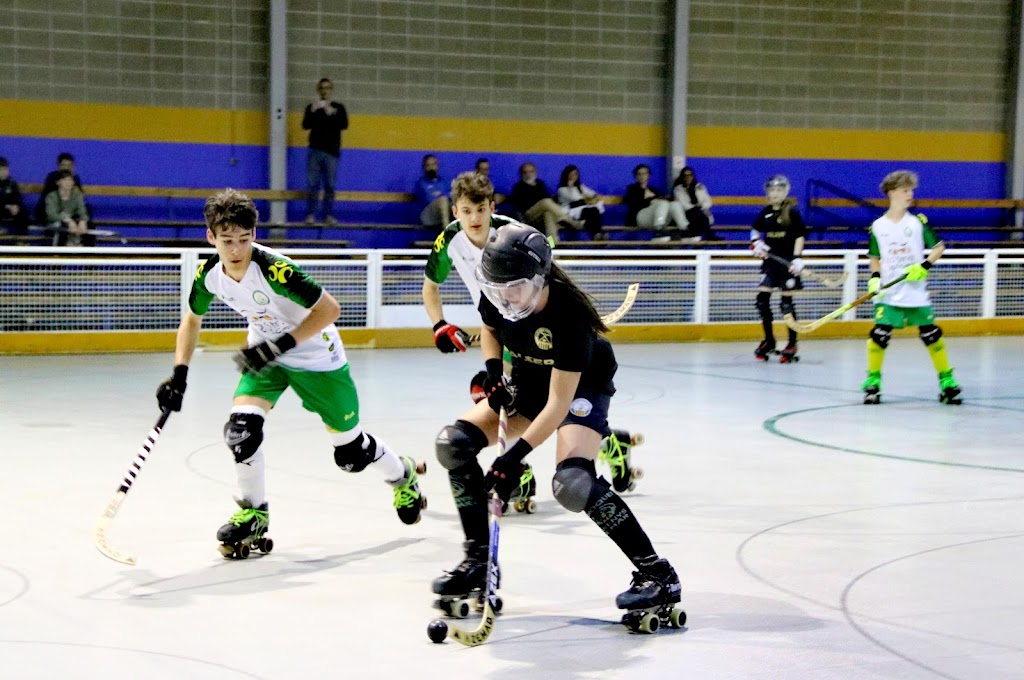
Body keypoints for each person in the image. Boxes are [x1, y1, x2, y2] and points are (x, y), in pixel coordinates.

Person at [430, 223, 681, 621]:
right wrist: (493, 370)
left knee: (572, 484)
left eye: (514, 287)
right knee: (454, 444)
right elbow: (491, 327)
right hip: (528, 375)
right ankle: (478, 560)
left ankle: (657, 573)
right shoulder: (500, 291)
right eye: (497, 289)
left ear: (539, 277)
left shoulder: (571, 317)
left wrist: (511, 460)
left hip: (581, 386)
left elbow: (558, 404)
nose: (505, 297)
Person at [156, 189, 425, 558]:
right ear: (211, 237)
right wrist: (180, 375)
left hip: (316, 358)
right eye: (227, 241)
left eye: (244, 240)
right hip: (267, 357)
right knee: (241, 432)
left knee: (350, 454)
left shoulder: (275, 270)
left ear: (255, 235)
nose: (235, 250)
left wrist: (279, 345)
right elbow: (191, 319)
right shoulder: (209, 275)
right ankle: (253, 512)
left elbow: (330, 310)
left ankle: (402, 474)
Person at [861, 170, 961, 405]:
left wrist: (924, 266)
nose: (910, 194)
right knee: (879, 336)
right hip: (889, 292)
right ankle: (873, 381)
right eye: (906, 190)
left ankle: (947, 380)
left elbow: (938, 247)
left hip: (915, 291)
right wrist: (875, 278)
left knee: (931, 335)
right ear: (892, 193)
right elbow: (875, 256)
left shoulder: (917, 223)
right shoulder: (877, 226)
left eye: (911, 190)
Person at [749, 175, 806, 362]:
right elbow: (755, 229)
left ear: (786, 191)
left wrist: (797, 258)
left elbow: (799, 236)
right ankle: (769, 341)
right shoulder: (765, 212)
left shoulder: (792, 211)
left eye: (780, 190)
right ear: (767, 192)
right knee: (762, 300)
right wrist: (756, 242)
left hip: (787, 263)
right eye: (773, 190)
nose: (776, 193)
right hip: (770, 263)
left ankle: (791, 343)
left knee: (786, 304)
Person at [302, 78, 349, 225]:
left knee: (330, 185)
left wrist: (332, 114)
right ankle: (311, 214)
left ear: (331, 90)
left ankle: (328, 215)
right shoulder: (312, 106)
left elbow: (344, 125)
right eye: (322, 88)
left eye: (328, 88)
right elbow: (305, 125)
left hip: (331, 152)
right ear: (319, 90)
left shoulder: (338, 107)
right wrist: (312, 111)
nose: (325, 90)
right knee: (313, 184)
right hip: (315, 150)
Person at [508, 162, 579, 242]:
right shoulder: (518, 187)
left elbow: (549, 198)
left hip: (541, 215)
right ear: (521, 174)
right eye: (525, 172)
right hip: (528, 215)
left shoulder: (540, 184)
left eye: (531, 171)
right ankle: (571, 221)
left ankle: (552, 247)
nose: (528, 174)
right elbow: (519, 205)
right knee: (545, 202)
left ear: (535, 172)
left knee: (548, 214)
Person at [623, 164, 685, 241]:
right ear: (636, 176)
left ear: (648, 175)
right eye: (639, 174)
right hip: (640, 216)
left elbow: (662, 199)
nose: (642, 176)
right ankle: (658, 231)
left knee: (675, 204)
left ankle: (684, 229)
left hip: (657, 217)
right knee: (662, 203)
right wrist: (651, 199)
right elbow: (635, 203)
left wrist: (651, 199)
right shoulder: (632, 188)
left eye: (644, 173)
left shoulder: (654, 190)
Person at [34, 152, 86, 226]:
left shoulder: (75, 178)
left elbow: (80, 197)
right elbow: (49, 198)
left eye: (69, 165)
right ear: (59, 166)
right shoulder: (52, 177)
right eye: (64, 165)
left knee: (86, 212)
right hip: (54, 209)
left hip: (70, 210)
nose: (66, 168)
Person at [557, 164, 606, 241]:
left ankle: (597, 234)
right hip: (570, 212)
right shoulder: (562, 189)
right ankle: (598, 233)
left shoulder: (580, 187)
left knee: (594, 211)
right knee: (592, 212)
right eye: (571, 174)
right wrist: (570, 187)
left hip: (582, 210)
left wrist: (592, 199)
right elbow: (574, 199)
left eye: (575, 174)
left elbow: (592, 193)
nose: (574, 176)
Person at [44, 169, 90, 246]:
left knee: (89, 226)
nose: (68, 183)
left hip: (74, 224)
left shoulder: (77, 195)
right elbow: (51, 215)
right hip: (55, 224)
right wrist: (67, 220)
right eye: (65, 180)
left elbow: (82, 211)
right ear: (58, 182)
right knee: (61, 226)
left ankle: (89, 253)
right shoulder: (51, 196)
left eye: (70, 180)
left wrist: (83, 221)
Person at [671, 166, 717, 240]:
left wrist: (701, 206)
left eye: (690, 175)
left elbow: (708, 201)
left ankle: (696, 239)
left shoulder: (700, 187)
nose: (688, 177)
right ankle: (709, 235)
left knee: (699, 217)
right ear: (682, 177)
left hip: (701, 212)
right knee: (697, 214)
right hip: (687, 213)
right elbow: (683, 204)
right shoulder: (678, 189)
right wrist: (696, 207)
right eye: (685, 175)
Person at [414, 154, 450, 230]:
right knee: (443, 200)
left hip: (444, 214)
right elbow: (427, 199)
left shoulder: (444, 182)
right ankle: (447, 234)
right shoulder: (420, 183)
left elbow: (451, 196)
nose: (431, 168)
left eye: (434, 164)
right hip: (428, 217)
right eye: (428, 165)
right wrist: (442, 196)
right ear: (424, 168)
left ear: (438, 166)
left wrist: (439, 195)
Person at [0, 157, 30, 236]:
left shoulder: (12, 182)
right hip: (2, 208)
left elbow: (17, 197)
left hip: (10, 210)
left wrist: (16, 205)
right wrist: (7, 206)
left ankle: (22, 238)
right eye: (1, 170)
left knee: (22, 210)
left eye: (5, 169)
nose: (4, 172)